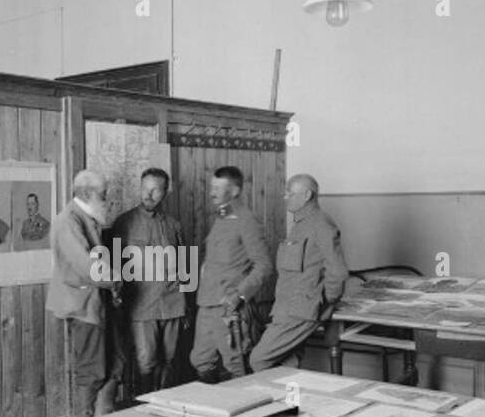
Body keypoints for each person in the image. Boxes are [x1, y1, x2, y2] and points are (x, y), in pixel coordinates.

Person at [249, 174, 349, 371]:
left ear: (307, 195)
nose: (285, 197)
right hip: (286, 308)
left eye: (290, 193)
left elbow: (337, 271)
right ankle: (291, 402)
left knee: (258, 360)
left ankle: (279, 402)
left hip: (300, 310)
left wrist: (324, 302)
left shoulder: (321, 224)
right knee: (288, 365)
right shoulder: (300, 225)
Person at [46, 169, 120, 417]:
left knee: (111, 366)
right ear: (88, 194)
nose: (107, 199)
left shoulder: (85, 217)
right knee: (91, 371)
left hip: (94, 303)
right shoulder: (68, 221)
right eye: (103, 194)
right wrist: (117, 280)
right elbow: (87, 266)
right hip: (83, 307)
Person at [107, 168, 187, 394]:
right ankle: (144, 411)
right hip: (142, 306)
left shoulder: (174, 225)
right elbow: (114, 267)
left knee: (170, 360)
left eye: (155, 190)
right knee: (146, 361)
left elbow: (185, 266)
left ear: (165, 192)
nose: (148, 195)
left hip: (173, 305)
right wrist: (118, 300)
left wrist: (186, 307)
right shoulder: (124, 223)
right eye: (144, 189)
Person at [190, 166, 273, 381]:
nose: (211, 193)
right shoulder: (222, 217)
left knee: (236, 364)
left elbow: (264, 266)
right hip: (207, 304)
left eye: (218, 188)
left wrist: (239, 294)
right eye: (212, 187)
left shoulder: (246, 220)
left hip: (229, 307)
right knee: (201, 360)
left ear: (235, 191)